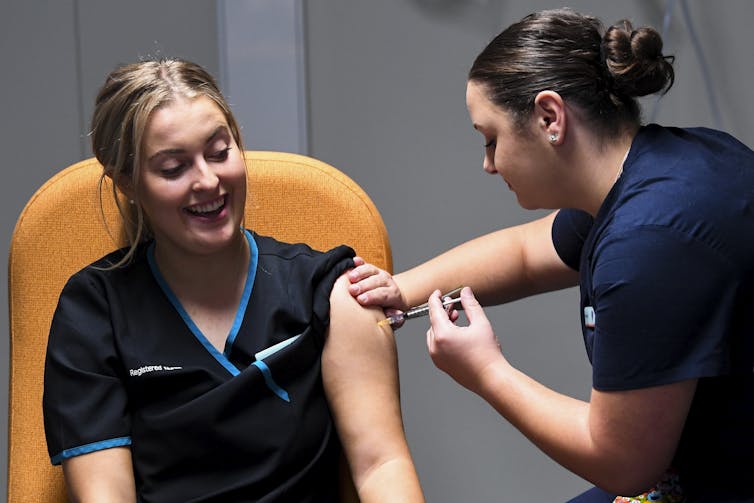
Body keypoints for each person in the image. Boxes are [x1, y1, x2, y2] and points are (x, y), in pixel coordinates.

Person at [347, 8, 754, 503]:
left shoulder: (650, 241)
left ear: (549, 117)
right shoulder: (665, 169)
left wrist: (487, 372)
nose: (488, 164)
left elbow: (622, 462)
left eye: (491, 139)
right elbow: (522, 254)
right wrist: (401, 289)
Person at [42, 58, 424, 503]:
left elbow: (382, 466)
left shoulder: (330, 290)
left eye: (220, 152)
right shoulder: (94, 312)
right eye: (172, 168)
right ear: (127, 181)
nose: (208, 181)